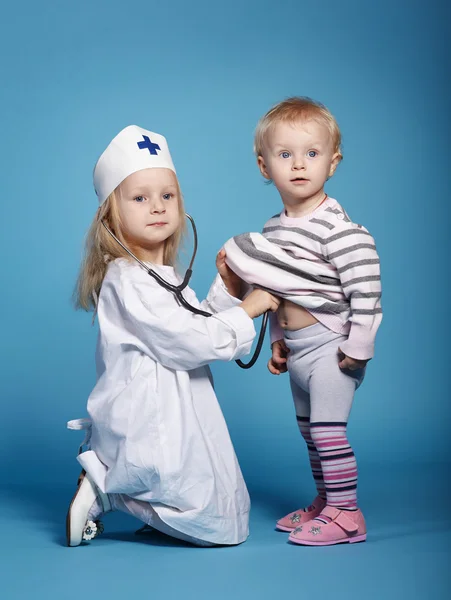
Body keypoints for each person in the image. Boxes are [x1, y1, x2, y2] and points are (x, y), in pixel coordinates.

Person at [66, 125, 279, 548]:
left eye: (167, 195)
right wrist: (252, 307)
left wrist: (229, 289)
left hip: (178, 410)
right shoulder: (127, 280)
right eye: (140, 198)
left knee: (223, 514)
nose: (157, 206)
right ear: (111, 214)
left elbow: (194, 321)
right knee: (214, 524)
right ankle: (105, 488)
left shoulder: (162, 276)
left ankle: (122, 492)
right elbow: (192, 341)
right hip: (152, 416)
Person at [224, 97, 382, 546]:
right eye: (285, 154)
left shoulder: (339, 228)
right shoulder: (272, 230)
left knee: (330, 433)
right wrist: (278, 341)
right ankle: (327, 500)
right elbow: (281, 292)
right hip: (298, 347)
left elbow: (366, 289)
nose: (299, 165)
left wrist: (359, 346)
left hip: (332, 345)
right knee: (310, 433)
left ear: (332, 163)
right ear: (263, 166)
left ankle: (348, 515)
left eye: (312, 154)